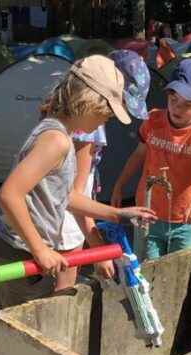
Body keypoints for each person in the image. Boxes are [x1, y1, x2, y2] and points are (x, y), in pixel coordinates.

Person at [0, 55, 156, 355]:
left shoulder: (57, 130)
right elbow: (9, 194)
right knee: (23, 338)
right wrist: (40, 249)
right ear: (90, 102)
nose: (107, 120)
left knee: (5, 324)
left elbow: (66, 196)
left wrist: (116, 213)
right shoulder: (57, 141)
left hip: (11, 244)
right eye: (106, 112)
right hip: (18, 251)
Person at [111, 58, 191, 260]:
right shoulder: (153, 120)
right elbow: (138, 155)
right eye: (173, 99)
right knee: (147, 272)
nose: (177, 108)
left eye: (188, 104)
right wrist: (119, 184)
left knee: (179, 275)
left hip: (184, 222)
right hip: (147, 216)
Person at [60, 49, 151, 283]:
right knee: (61, 293)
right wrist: (98, 250)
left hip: (67, 223)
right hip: (65, 228)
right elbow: (73, 198)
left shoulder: (68, 110)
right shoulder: (89, 129)